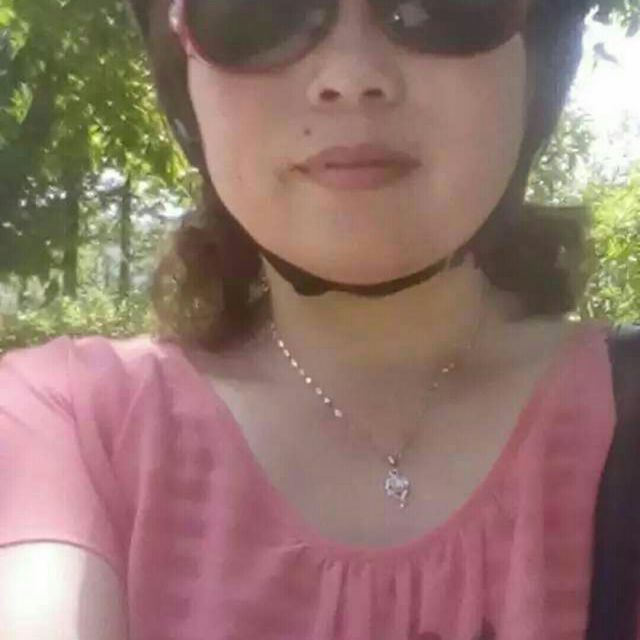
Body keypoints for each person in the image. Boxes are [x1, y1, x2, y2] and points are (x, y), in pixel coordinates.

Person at [0, 0, 626, 638]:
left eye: (434, 5)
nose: (351, 76)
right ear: (184, 89)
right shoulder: (68, 426)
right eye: (260, 15)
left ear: (537, 67)